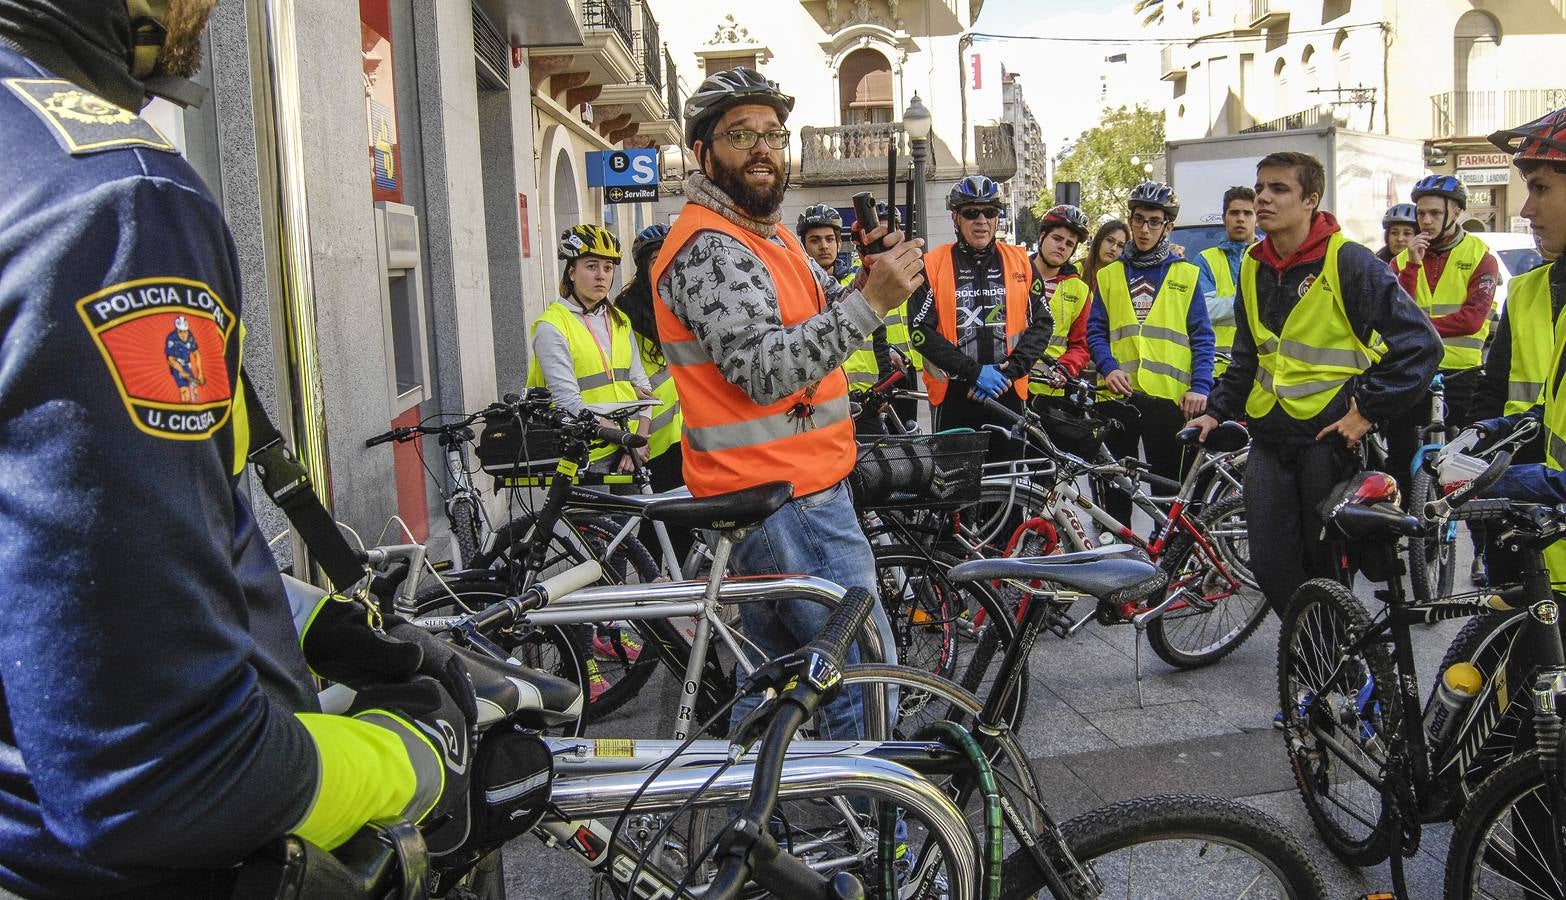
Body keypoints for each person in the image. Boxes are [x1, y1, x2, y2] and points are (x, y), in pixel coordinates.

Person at [0, 3, 478, 896]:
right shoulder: (112, 200)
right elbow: (164, 773)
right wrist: (415, 754)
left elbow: (60, 545)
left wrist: (305, 617)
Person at [649, 66, 923, 738]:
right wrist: (871, 302)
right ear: (703, 153)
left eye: (773, 133)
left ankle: (751, 817)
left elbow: (822, 312)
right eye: (741, 134)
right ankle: (876, 822)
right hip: (786, 498)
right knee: (860, 671)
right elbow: (762, 370)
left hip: (784, 490)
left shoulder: (768, 234)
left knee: (774, 674)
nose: (763, 147)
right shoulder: (713, 247)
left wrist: (867, 279)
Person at [1190, 151, 1441, 622]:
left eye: (1279, 189)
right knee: (1269, 564)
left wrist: (1366, 411)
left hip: (1328, 440)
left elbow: (1421, 346)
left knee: (1324, 568)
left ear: (1311, 199)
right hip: (1269, 438)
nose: (1263, 197)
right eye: (1260, 186)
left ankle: (1333, 668)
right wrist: (1217, 409)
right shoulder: (1252, 266)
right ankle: (1318, 654)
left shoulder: (1350, 263)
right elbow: (1247, 354)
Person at [1465, 107, 1566, 581]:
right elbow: (1498, 387)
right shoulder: (1531, 289)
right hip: (1535, 536)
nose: (1527, 209)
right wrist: (1477, 446)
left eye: (1541, 188)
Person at [1086, 181, 1214, 525]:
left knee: (1167, 488)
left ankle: (1168, 558)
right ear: (1130, 219)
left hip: (1169, 401)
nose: (1144, 229)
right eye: (1138, 220)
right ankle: (1117, 557)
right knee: (1115, 486)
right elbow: (1096, 331)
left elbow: (1203, 336)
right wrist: (1109, 367)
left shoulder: (1186, 274)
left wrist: (1200, 387)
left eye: (1154, 222)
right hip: (1118, 397)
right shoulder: (1110, 274)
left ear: (1167, 226)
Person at [911, 175, 1052, 461]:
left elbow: (1043, 323)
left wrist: (1008, 372)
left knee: (1009, 490)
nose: (981, 220)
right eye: (971, 212)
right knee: (956, 493)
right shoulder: (932, 264)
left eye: (990, 212)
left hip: (1008, 391)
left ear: (998, 218)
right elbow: (920, 332)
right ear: (956, 217)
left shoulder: (1021, 261)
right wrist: (973, 372)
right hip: (955, 395)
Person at [1385, 175, 1499, 502]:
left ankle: (1478, 544)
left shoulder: (1481, 256)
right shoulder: (1404, 259)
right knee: (1400, 453)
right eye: (1421, 214)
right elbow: (1395, 315)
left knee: (1471, 463)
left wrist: (1418, 325)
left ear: (1457, 211)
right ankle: (1402, 528)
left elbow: (1472, 319)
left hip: (1461, 375)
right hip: (1413, 369)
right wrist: (1412, 267)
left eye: (1435, 213)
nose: (1426, 221)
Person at [527, 224, 653, 475]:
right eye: (591, 266)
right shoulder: (552, 326)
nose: (601, 275)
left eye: (607, 268)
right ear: (571, 272)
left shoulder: (619, 320)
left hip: (626, 451)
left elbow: (643, 388)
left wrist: (639, 440)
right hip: (583, 456)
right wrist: (626, 440)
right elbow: (568, 402)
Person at [1025, 204, 1099, 459]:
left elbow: (1081, 345)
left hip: (1051, 396)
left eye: (1069, 244)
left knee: (1044, 474)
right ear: (1042, 236)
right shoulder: (1013, 275)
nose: (1062, 247)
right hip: (1009, 388)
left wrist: (1066, 368)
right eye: (1057, 238)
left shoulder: (1079, 290)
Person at [616, 223, 683, 494]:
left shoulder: (687, 302)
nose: (666, 265)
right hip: (648, 434)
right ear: (643, 267)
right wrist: (633, 437)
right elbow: (623, 374)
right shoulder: (626, 310)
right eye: (657, 260)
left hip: (688, 434)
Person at [1192, 186, 1259, 378]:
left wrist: (1225, 306)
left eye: (1247, 213)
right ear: (1224, 218)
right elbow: (1204, 311)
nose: (1240, 218)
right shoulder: (1205, 260)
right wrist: (1249, 302)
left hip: (1260, 370)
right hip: (1215, 370)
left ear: (1257, 218)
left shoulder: (1271, 257)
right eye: (1234, 213)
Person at [1083, 220, 1130, 296]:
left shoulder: (1126, 280)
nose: (1114, 248)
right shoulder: (1077, 270)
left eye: (1120, 245)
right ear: (1099, 240)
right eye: (1110, 240)